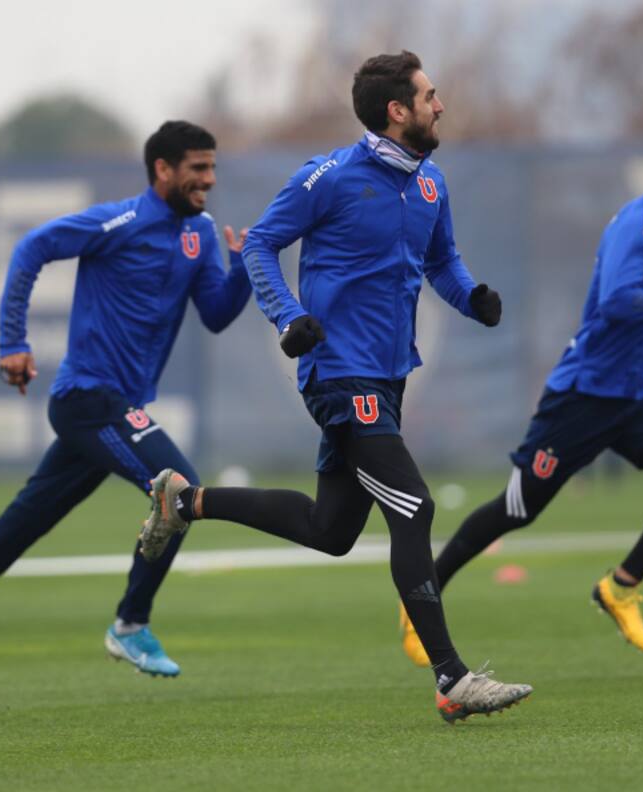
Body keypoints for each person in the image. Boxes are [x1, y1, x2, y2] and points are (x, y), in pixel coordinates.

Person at [138, 52, 532, 723]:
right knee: (412, 507)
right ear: (397, 111)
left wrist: (473, 300)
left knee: (332, 529)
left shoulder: (431, 184)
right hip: (337, 372)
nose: (442, 106)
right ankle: (453, 678)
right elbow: (260, 244)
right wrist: (288, 317)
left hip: (387, 374)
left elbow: (443, 263)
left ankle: (187, 500)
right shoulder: (329, 176)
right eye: (430, 96)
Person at [0, 121, 251, 686]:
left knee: (23, 525)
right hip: (86, 399)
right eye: (197, 169)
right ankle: (130, 624)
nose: (208, 180)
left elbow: (217, 314)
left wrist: (242, 265)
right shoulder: (117, 222)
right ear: (163, 170)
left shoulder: (197, 234)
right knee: (180, 490)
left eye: (212, 168)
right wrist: (13, 343)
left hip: (112, 407)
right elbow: (31, 248)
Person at [400, 122, 643, 664]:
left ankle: (619, 587)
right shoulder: (641, 224)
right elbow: (617, 302)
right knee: (516, 510)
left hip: (631, 394)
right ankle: (420, 595)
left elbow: (633, 313)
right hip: (581, 398)